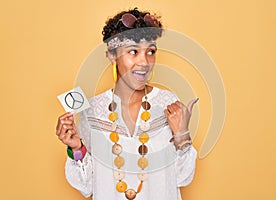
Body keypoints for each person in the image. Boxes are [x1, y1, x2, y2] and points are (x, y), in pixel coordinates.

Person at [56, 8, 198, 200]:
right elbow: (87, 186)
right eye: (133, 51)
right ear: (112, 55)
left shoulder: (168, 104)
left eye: (150, 51)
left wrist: (182, 135)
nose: (144, 62)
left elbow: (182, 178)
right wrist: (75, 148)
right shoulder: (93, 112)